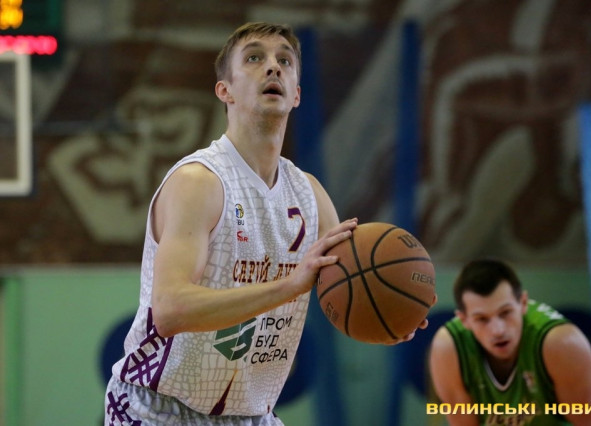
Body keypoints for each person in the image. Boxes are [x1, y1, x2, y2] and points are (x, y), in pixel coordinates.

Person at [104, 22, 427, 426]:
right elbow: (170, 310)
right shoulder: (199, 182)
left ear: (296, 95)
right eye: (254, 58)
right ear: (225, 90)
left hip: (252, 415)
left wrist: (394, 314)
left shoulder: (309, 194)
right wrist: (289, 286)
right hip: (158, 409)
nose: (273, 66)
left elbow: (350, 283)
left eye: (285, 61)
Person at [429, 259, 591, 426]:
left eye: (505, 313)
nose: (498, 330)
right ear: (464, 319)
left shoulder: (562, 343)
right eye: (482, 319)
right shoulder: (449, 348)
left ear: (523, 303)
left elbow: (589, 423)